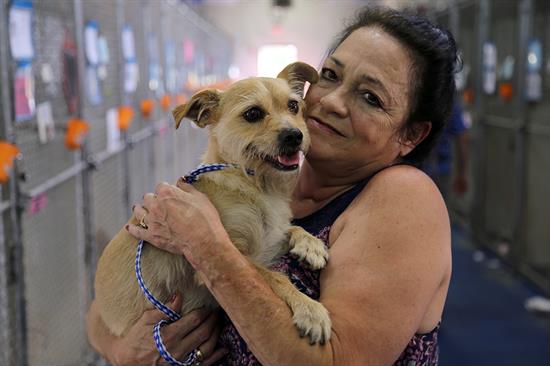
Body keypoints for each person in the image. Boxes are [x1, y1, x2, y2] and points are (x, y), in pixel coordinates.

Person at [86, 6, 458, 365]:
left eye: (370, 98)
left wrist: (207, 247)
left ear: (411, 134)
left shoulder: (405, 199)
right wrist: (122, 351)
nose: (331, 102)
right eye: (329, 75)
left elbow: (335, 359)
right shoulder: (264, 177)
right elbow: (103, 307)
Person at [422, 100, 469, 199]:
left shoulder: (418, 98)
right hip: (441, 169)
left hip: (417, 169)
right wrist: (462, 173)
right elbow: (462, 140)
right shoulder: (449, 102)